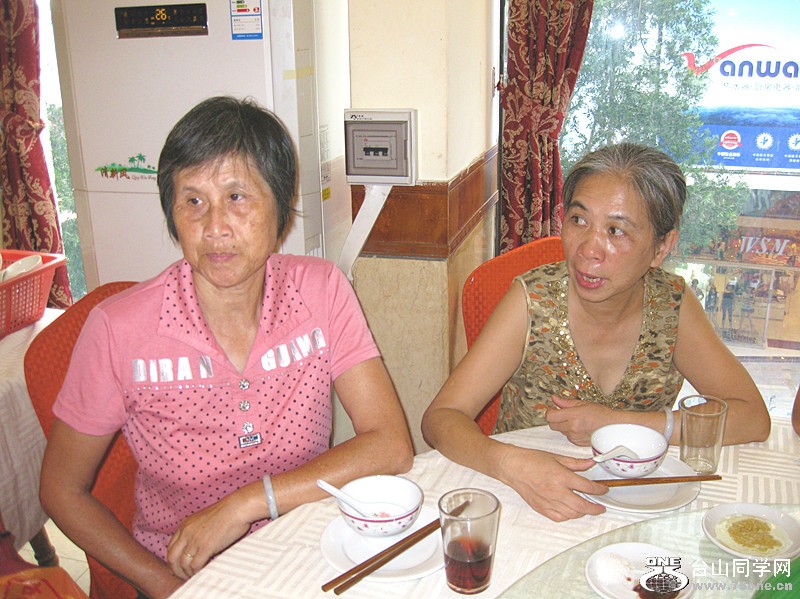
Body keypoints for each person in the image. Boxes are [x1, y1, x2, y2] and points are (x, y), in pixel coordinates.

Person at [39, 96, 414, 599]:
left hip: (309, 553)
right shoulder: (118, 330)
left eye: (237, 196)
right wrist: (164, 586)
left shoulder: (322, 291)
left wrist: (247, 503)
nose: (214, 227)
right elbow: (60, 490)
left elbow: (390, 443)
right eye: (193, 201)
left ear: (279, 207)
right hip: (184, 572)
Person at [422, 142, 770, 523]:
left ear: (661, 247)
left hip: (639, 505)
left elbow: (752, 417)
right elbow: (440, 418)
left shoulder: (672, 306)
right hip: (529, 500)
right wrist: (511, 464)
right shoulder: (532, 301)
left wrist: (616, 421)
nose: (589, 249)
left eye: (616, 231)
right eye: (578, 220)